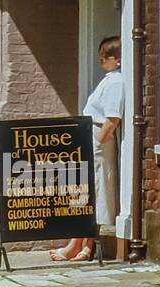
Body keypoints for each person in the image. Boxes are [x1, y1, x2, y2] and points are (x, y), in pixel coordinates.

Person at [52, 36, 123, 262]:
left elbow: (112, 119)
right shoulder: (109, 80)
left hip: (98, 139)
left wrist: (98, 142)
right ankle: (80, 243)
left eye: (106, 56)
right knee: (87, 191)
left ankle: (82, 244)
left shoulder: (116, 83)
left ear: (118, 59)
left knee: (95, 191)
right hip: (92, 137)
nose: (101, 60)